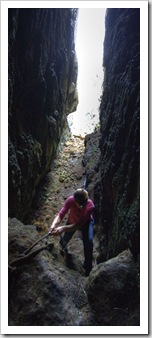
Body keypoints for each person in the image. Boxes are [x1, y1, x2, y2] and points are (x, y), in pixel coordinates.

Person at [49, 188, 95, 276]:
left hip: (86, 223)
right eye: (80, 205)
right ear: (75, 200)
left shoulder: (90, 206)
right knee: (65, 238)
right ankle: (61, 251)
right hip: (72, 220)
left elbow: (78, 225)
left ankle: (88, 268)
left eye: (83, 204)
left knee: (88, 242)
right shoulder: (71, 199)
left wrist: (62, 228)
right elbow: (61, 214)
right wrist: (53, 225)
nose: (81, 206)